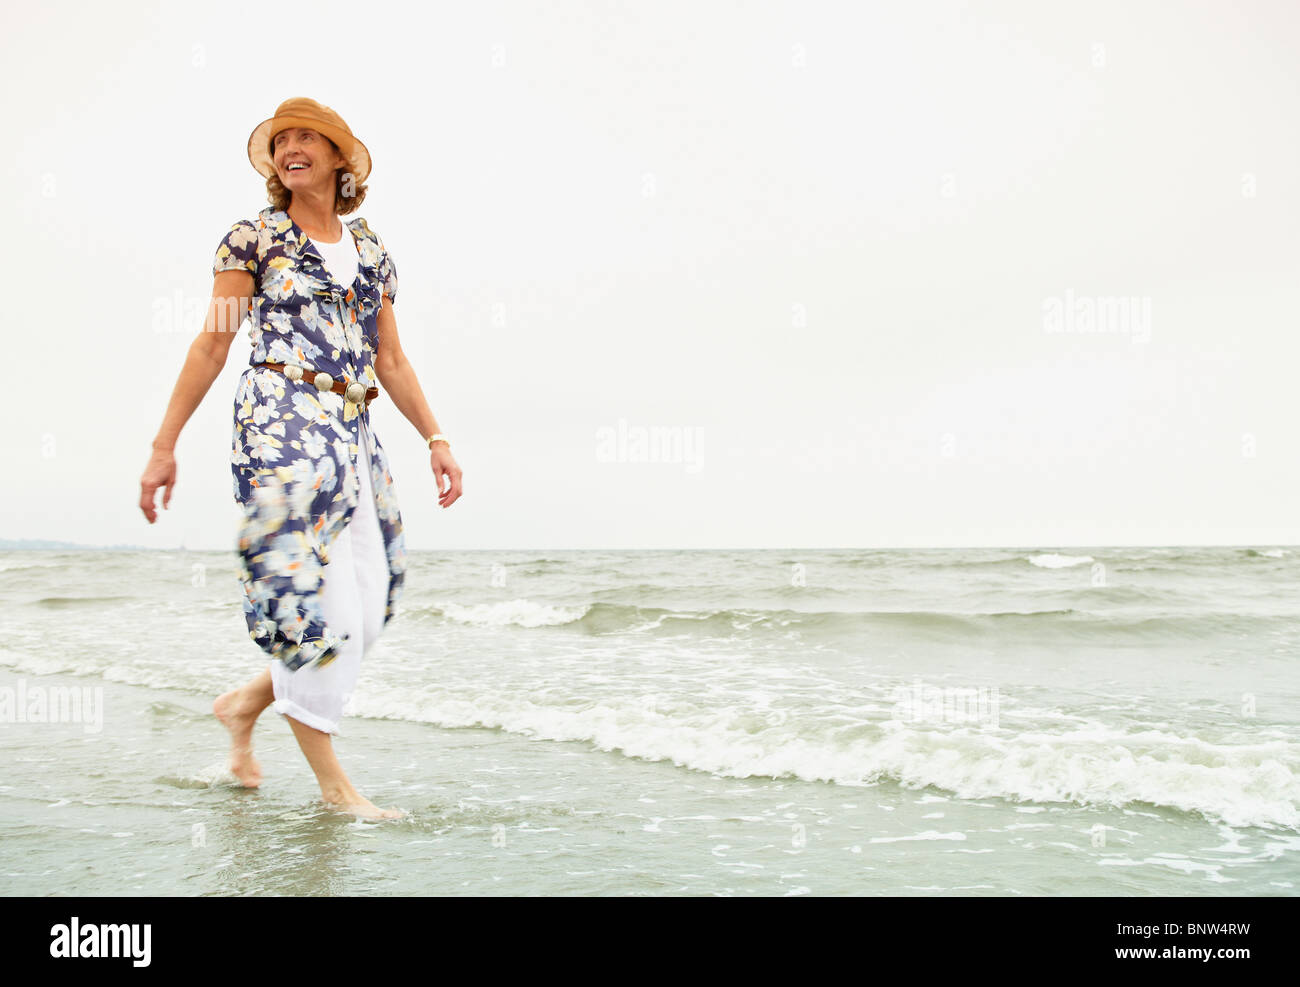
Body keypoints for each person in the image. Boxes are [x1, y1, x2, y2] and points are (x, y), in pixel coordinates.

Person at [139, 97, 463, 820]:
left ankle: (244, 703)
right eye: (281, 138)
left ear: (340, 158)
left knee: (373, 604)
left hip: (351, 429)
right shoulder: (252, 240)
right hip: (280, 420)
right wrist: (165, 445)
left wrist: (436, 438)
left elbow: (393, 358)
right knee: (309, 602)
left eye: (308, 136)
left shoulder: (373, 252)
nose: (291, 146)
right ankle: (335, 788)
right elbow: (212, 344)